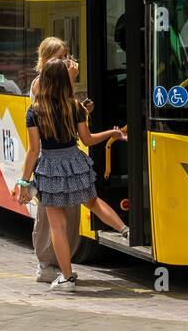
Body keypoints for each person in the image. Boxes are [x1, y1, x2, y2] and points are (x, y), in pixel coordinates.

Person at [15, 58, 126, 294]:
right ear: (65, 81)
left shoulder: (35, 111)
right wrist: (112, 133)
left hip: (50, 167)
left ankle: (67, 278)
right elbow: (87, 140)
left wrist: (24, 182)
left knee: (58, 226)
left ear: (45, 80)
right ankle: (125, 229)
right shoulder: (75, 106)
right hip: (75, 161)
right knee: (93, 201)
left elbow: (34, 150)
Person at [28, 38, 82, 283]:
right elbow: (54, 104)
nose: (66, 61)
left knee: (71, 213)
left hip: (68, 157)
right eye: (60, 56)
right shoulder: (41, 83)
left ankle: (63, 264)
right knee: (49, 216)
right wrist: (70, 81)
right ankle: (45, 264)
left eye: (66, 55)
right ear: (47, 58)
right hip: (50, 160)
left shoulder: (59, 80)